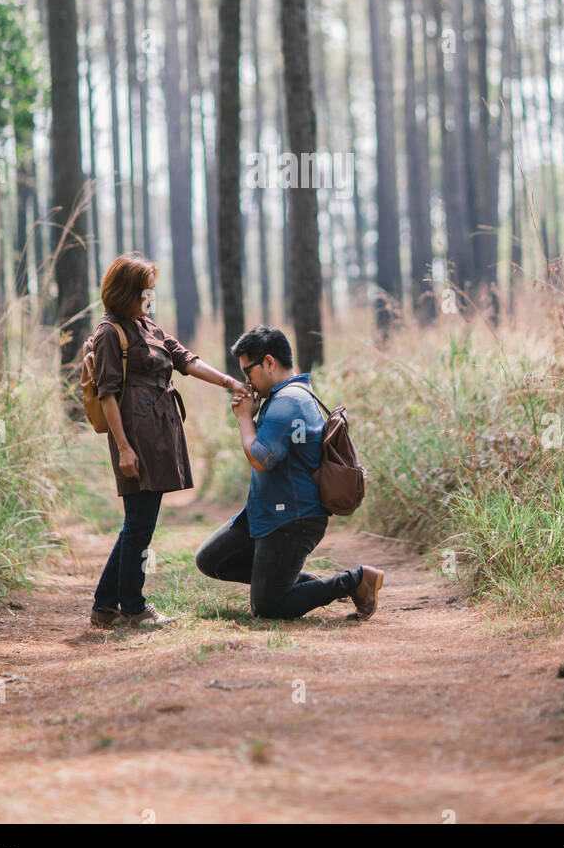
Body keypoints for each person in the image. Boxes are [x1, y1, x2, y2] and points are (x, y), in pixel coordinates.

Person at [88, 253, 250, 629]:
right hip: (135, 440)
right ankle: (132, 607)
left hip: (161, 435)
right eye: (146, 290)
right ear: (126, 291)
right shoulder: (110, 333)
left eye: (152, 289)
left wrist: (230, 383)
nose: (151, 296)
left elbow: (186, 360)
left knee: (137, 524)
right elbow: (108, 395)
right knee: (139, 526)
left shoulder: (148, 327)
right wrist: (124, 449)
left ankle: (104, 606)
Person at [195, 325, 384, 621]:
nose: (247, 381)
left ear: (269, 363)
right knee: (211, 559)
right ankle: (283, 583)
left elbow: (260, 459)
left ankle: (356, 581)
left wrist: (245, 418)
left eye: (249, 372)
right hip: (268, 515)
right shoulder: (284, 398)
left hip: (293, 519)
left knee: (268, 608)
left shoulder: (288, 401)